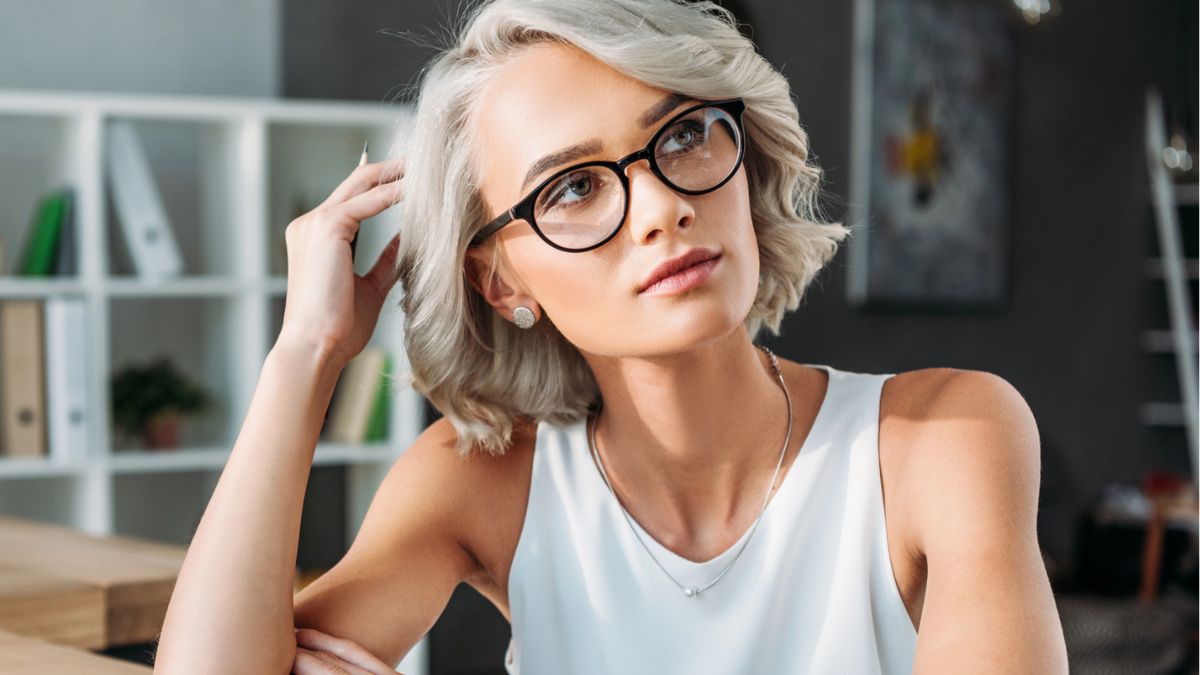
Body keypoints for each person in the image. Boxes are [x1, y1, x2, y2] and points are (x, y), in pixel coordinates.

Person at [152, 0, 1069, 673]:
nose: (664, 206)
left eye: (681, 137)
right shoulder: (487, 482)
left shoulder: (946, 437)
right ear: (502, 279)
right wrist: (304, 354)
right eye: (574, 188)